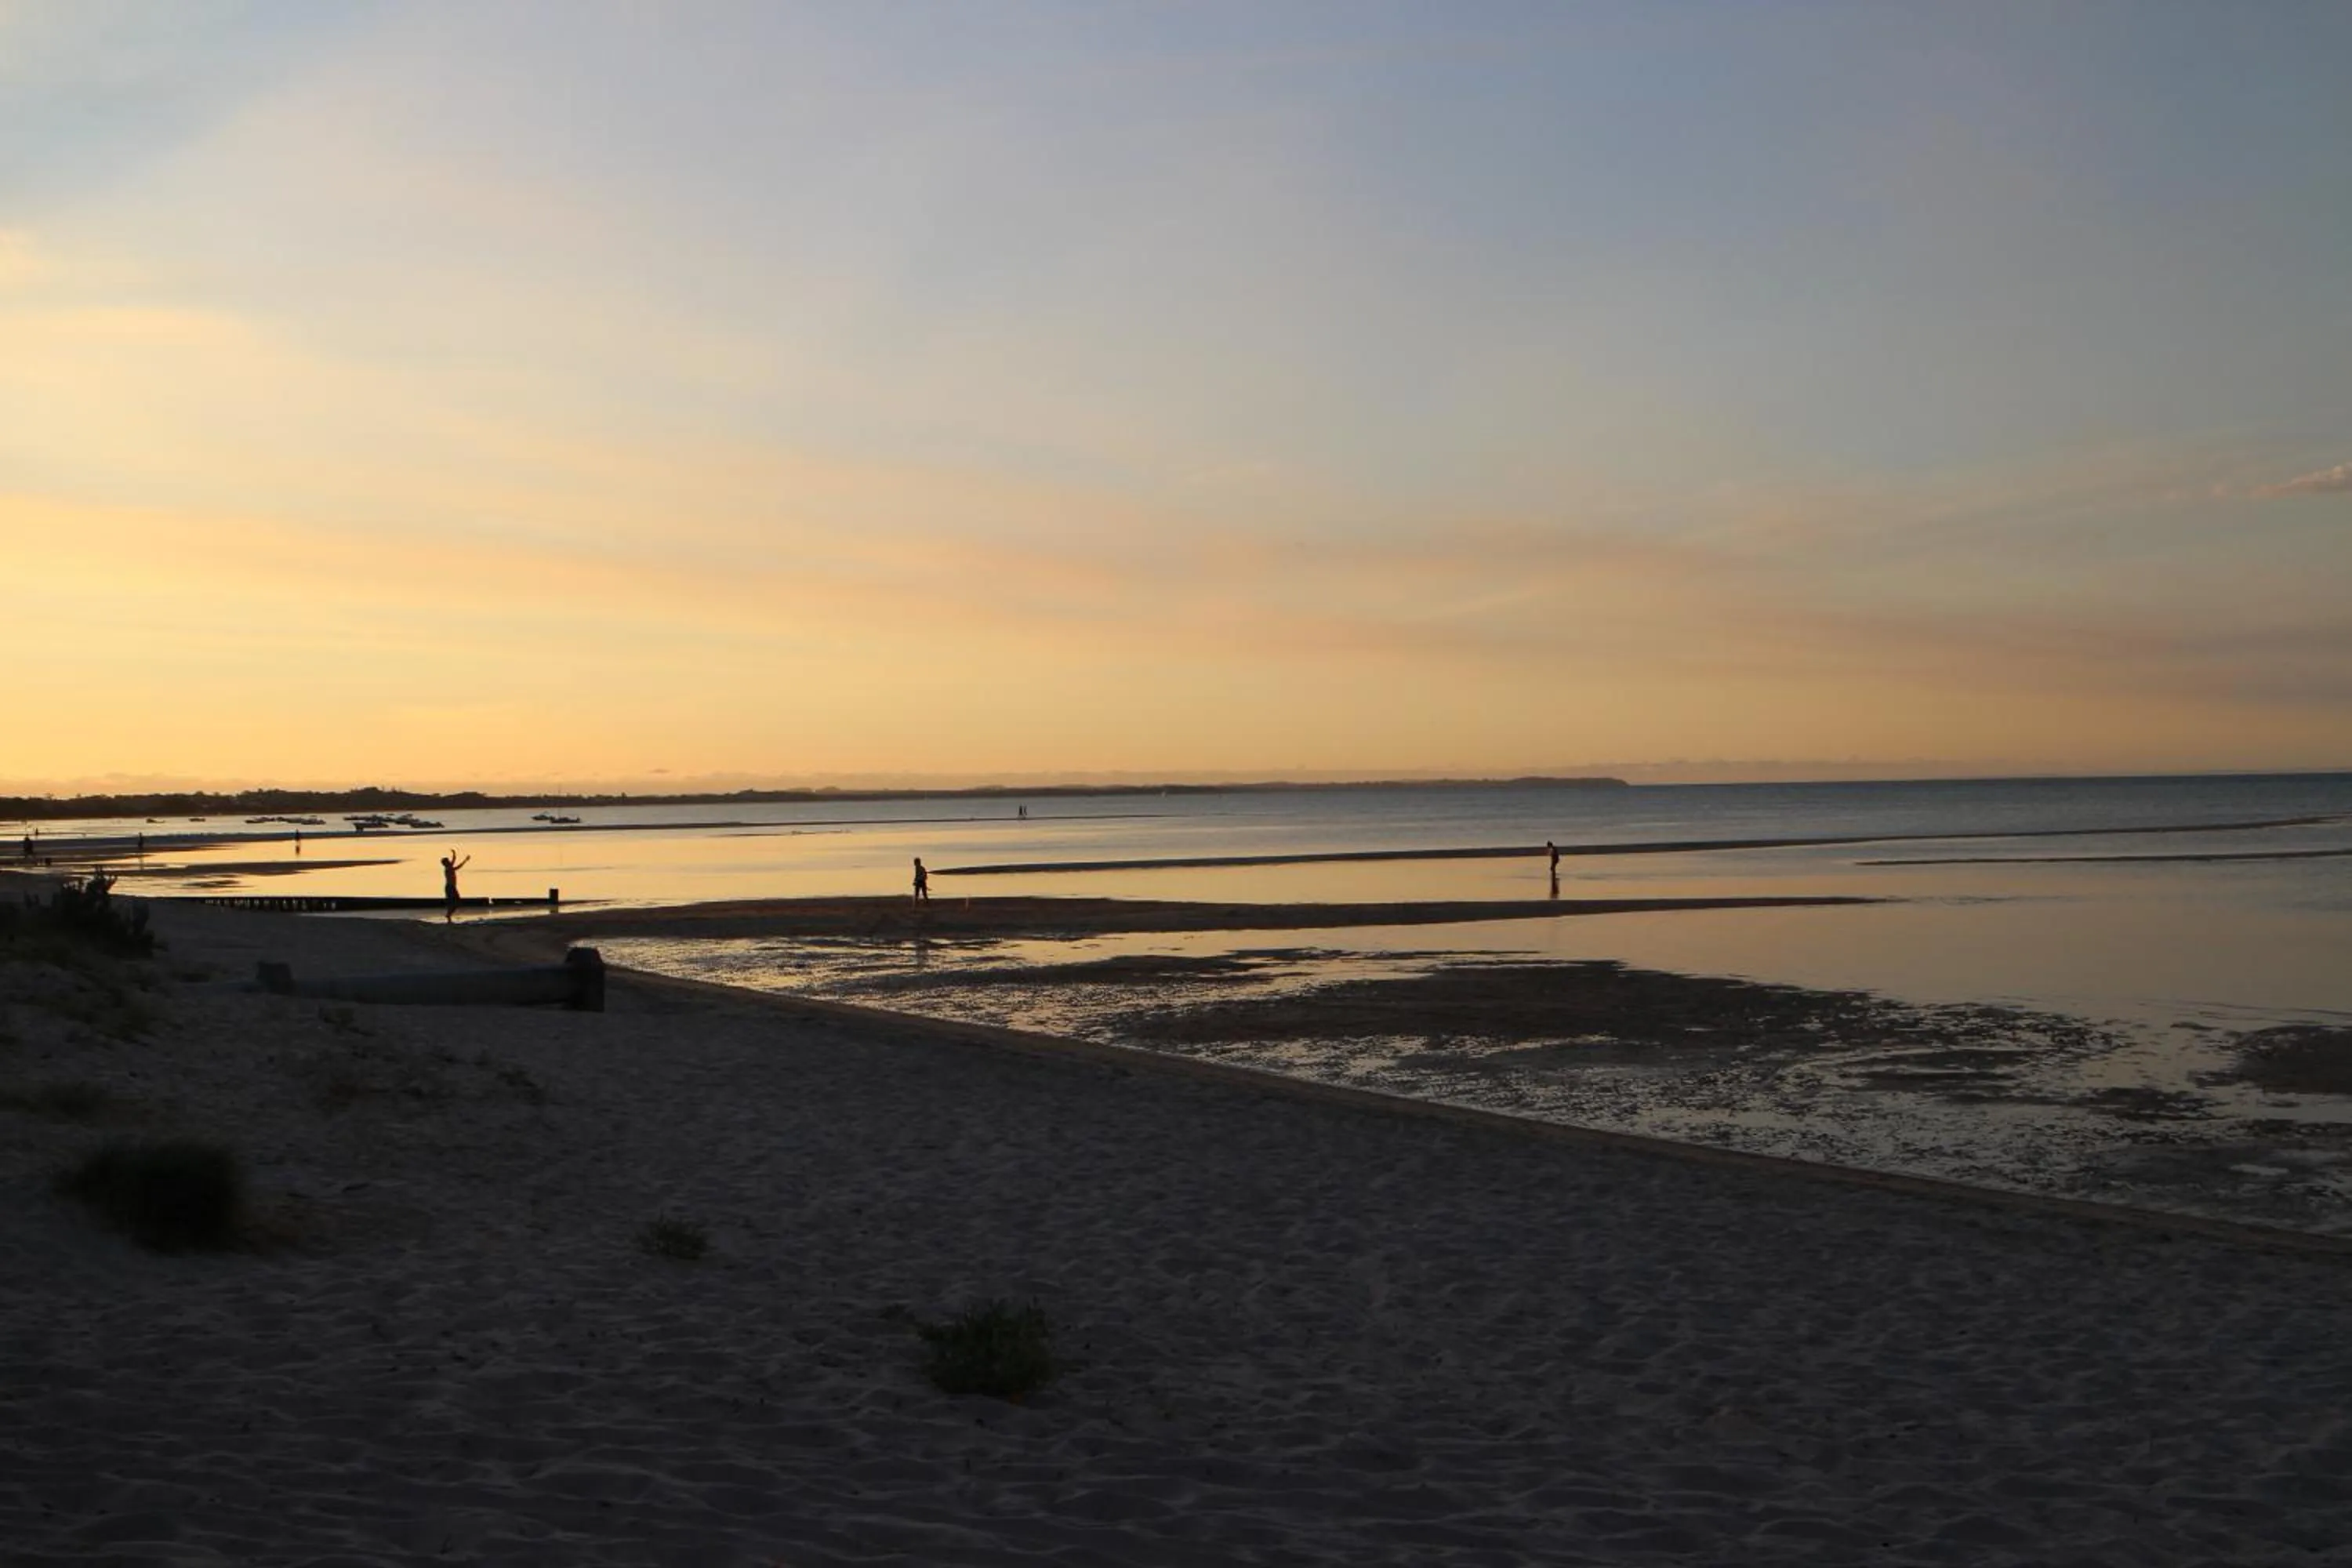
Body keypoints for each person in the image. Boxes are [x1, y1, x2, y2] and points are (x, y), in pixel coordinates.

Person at [440, 851, 472, 921]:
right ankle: (448, 915)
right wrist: (465, 860)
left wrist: (454, 854)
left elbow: (453, 860)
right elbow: (458, 866)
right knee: (454, 902)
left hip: (452, 887)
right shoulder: (448, 869)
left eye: (449, 861)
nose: (449, 862)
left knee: (456, 902)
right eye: (448, 861)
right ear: (445, 864)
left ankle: (448, 915)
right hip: (450, 888)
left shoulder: (449, 867)